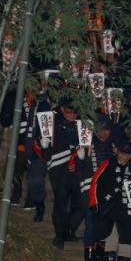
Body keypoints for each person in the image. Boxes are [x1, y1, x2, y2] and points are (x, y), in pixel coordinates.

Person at [89, 135, 131, 261]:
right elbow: (95, 183)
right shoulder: (107, 164)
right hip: (109, 208)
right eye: (122, 153)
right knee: (111, 237)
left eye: (128, 154)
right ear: (117, 151)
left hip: (127, 211)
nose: (124, 157)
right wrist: (94, 203)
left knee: (126, 240)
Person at [45, 99, 88, 249]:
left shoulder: (83, 124)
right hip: (60, 171)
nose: (73, 115)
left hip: (78, 172)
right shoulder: (54, 122)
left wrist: (80, 159)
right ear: (63, 109)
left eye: (75, 112)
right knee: (61, 203)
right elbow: (47, 146)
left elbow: (87, 147)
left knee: (81, 203)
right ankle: (59, 234)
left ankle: (69, 230)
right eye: (70, 112)